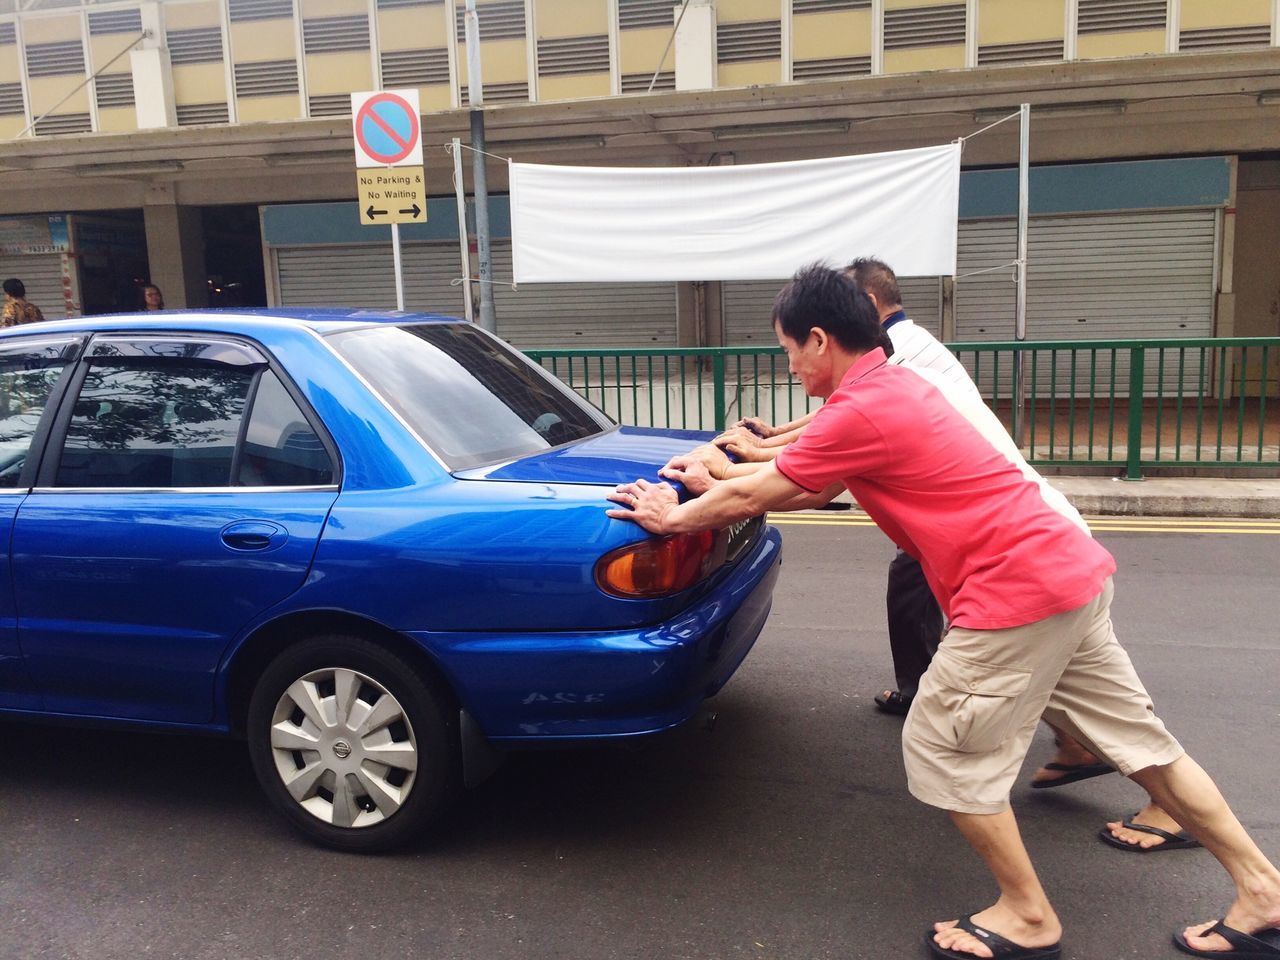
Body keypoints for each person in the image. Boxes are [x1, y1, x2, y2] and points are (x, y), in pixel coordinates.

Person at [606, 264, 1280, 960]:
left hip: (1013, 594)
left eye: (787, 351)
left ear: (817, 340)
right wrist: (710, 479)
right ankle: (1264, 891)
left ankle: (1027, 916)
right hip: (1069, 572)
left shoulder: (859, 407)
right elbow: (808, 485)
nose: (789, 366)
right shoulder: (892, 385)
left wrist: (674, 516)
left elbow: (763, 494)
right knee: (1142, 742)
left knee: (943, 746)